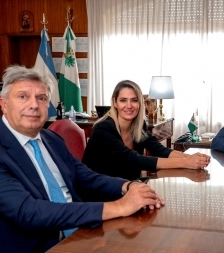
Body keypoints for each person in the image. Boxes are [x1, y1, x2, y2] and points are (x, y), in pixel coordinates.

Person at [0, 65, 164, 253]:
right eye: (23, 97)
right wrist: (119, 207)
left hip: (81, 233)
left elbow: (86, 177)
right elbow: (29, 213)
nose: (34, 105)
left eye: (41, 98)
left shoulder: (51, 139)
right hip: (39, 245)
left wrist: (128, 186)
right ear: (4, 104)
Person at [82, 80, 211, 181]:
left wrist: (192, 158)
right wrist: (186, 162)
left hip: (126, 185)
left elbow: (159, 149)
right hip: (99, 189)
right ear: (115, 103)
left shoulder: (138, 125)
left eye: (134, 100)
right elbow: (136, 160)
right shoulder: (103, 129)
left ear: (140, 103)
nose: (129, 106)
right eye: (123, 100)